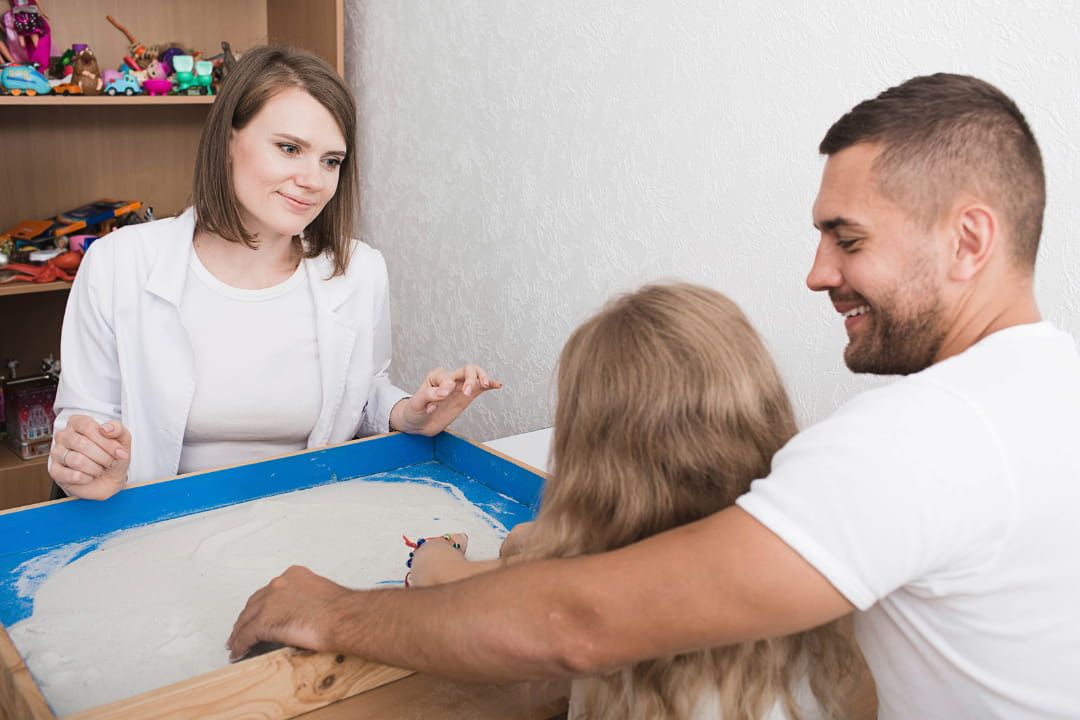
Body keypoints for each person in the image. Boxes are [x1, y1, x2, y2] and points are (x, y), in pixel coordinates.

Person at [228, 73, 1080, 718]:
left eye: (846, 238)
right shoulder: (1047, 386)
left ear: (969, 239)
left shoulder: (919, 438)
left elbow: (578, 622)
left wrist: (336, 610)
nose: (818, 273)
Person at [48, 46, 500, 501]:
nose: (313, 180)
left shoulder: (361, 271)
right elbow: (83, 419)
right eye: (289, 149)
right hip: (157, 525)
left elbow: (362, 394)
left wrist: (407, 415)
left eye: (331, 161)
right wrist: (86, 463)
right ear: (228, 141)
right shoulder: (117, 263)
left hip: (304, 521)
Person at [407, 282, 862, 719]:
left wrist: (434, 552)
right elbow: (548, 551)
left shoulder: (599, 591)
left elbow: (451, 590)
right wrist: (529, 544)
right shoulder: (788, 550)